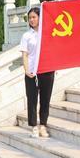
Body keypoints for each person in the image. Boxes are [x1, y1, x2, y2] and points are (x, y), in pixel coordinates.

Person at [20, 7, 54, 138]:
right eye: (30, 18)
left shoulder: (48, 33)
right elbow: (24, 55)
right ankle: (34, 126)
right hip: (32, 72)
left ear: (40, 18)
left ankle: (43, 125)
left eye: (34, 17)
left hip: (47, 70)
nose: (32, 20)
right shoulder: (27, 36)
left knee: (45, 99)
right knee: (32, 99)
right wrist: (26, 70)